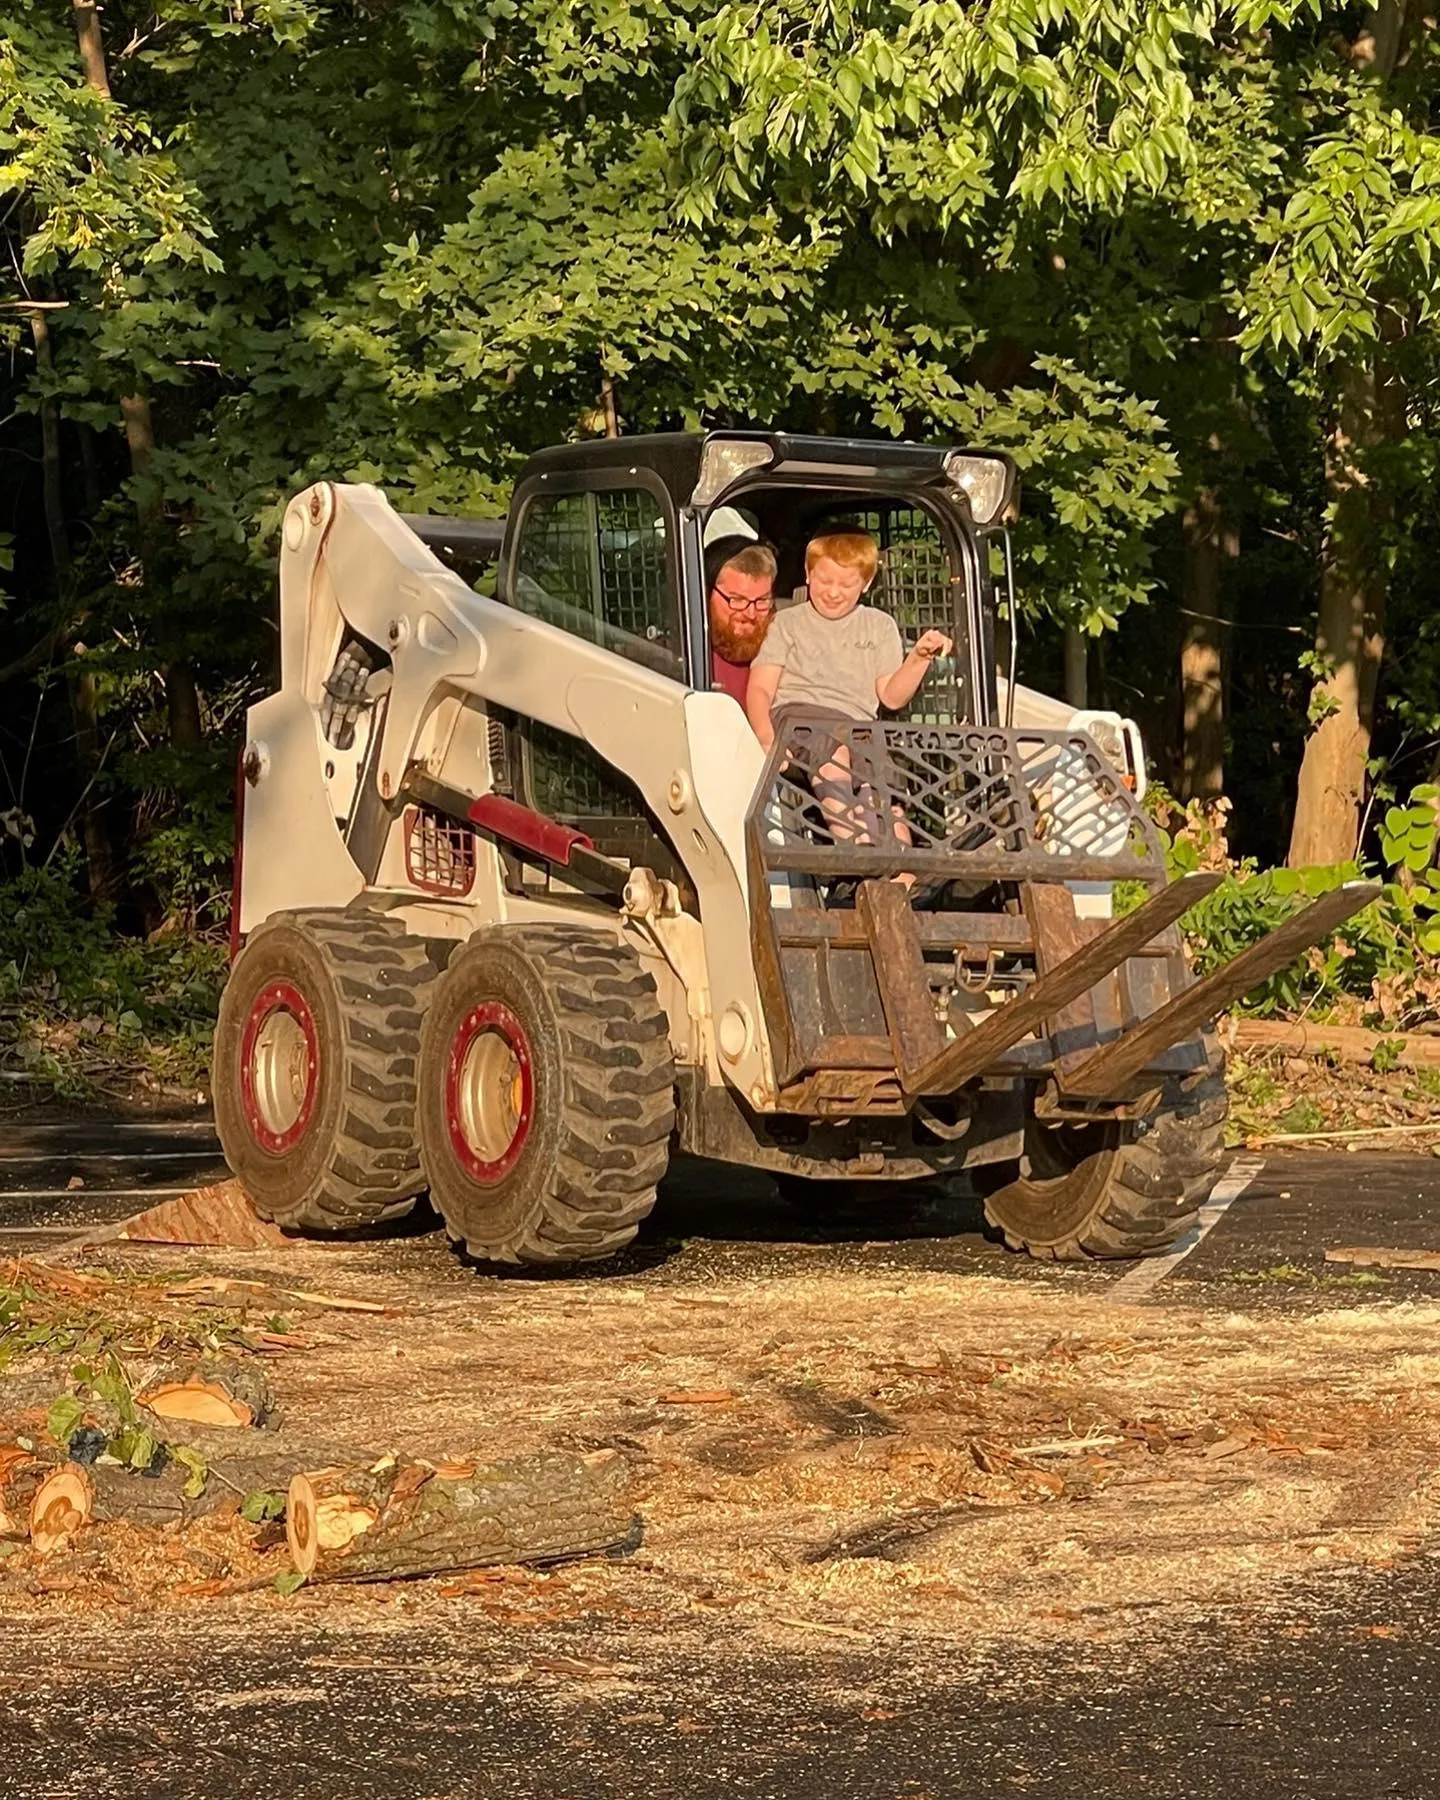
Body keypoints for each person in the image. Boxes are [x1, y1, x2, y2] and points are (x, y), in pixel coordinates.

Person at [744, 530, 952, 890]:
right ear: (808, 575)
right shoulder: (789, 623)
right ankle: (854, 852)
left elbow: (890, 696)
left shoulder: (879, 626)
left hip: (858, 726)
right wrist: (766, 738)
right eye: (824, 580)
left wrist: (918, 659)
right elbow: (761, 687)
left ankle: (898, 862)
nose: (833, 591)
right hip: (800, 717)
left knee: (880, 769)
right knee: (836, 750)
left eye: (846, 583)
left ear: (866, 583)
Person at [705, 536, 777, 707]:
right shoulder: (683, 662)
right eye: (737, 600)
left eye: (762, 601)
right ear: (706, 595)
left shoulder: (785, 651)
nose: (751, 614)